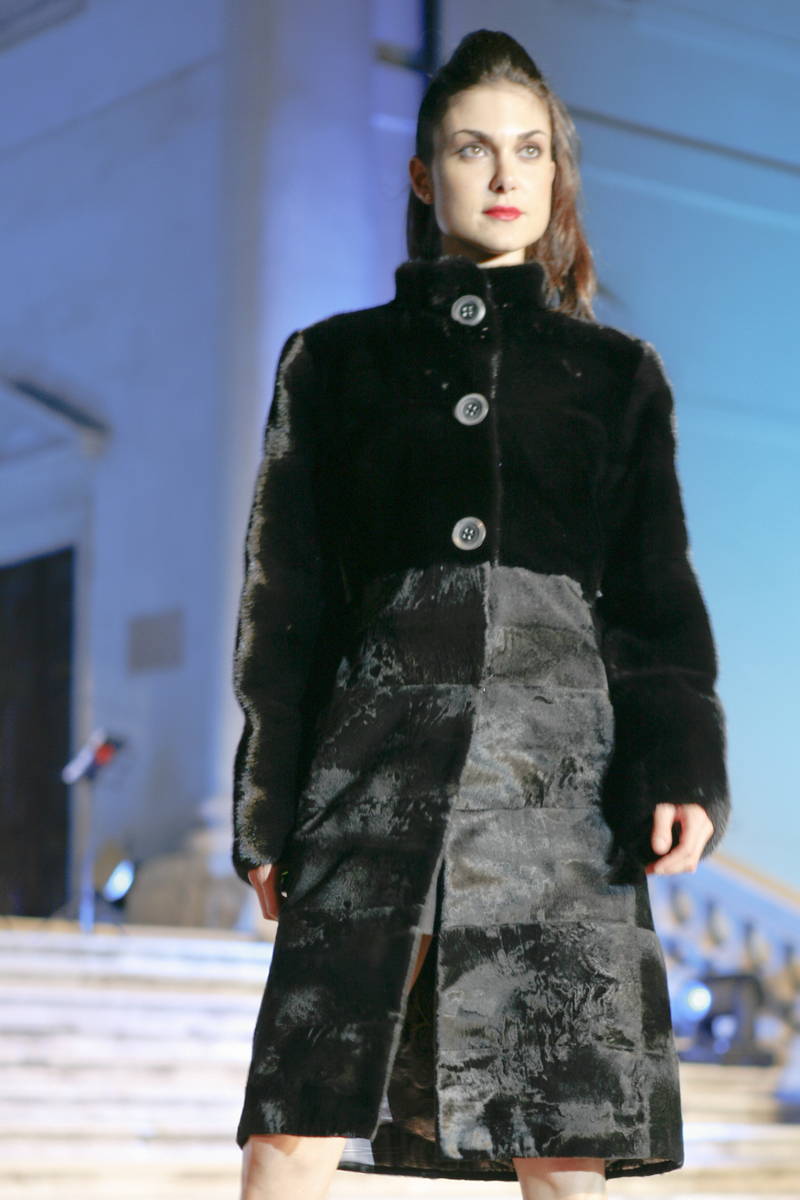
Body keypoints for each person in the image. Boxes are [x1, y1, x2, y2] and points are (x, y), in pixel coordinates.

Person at [233, 28, 730, 1200]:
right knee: (301, 1101)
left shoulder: (614, 376)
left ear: (555, 174)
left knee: (562, 1123)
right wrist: (268, 805)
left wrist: (677, 763)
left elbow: (652, 593)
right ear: (423, 175)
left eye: (528, 150)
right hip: (371, 768)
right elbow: (285, 599)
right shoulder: (331, 365)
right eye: (470, 148)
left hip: (557, 783)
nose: (503, 175)